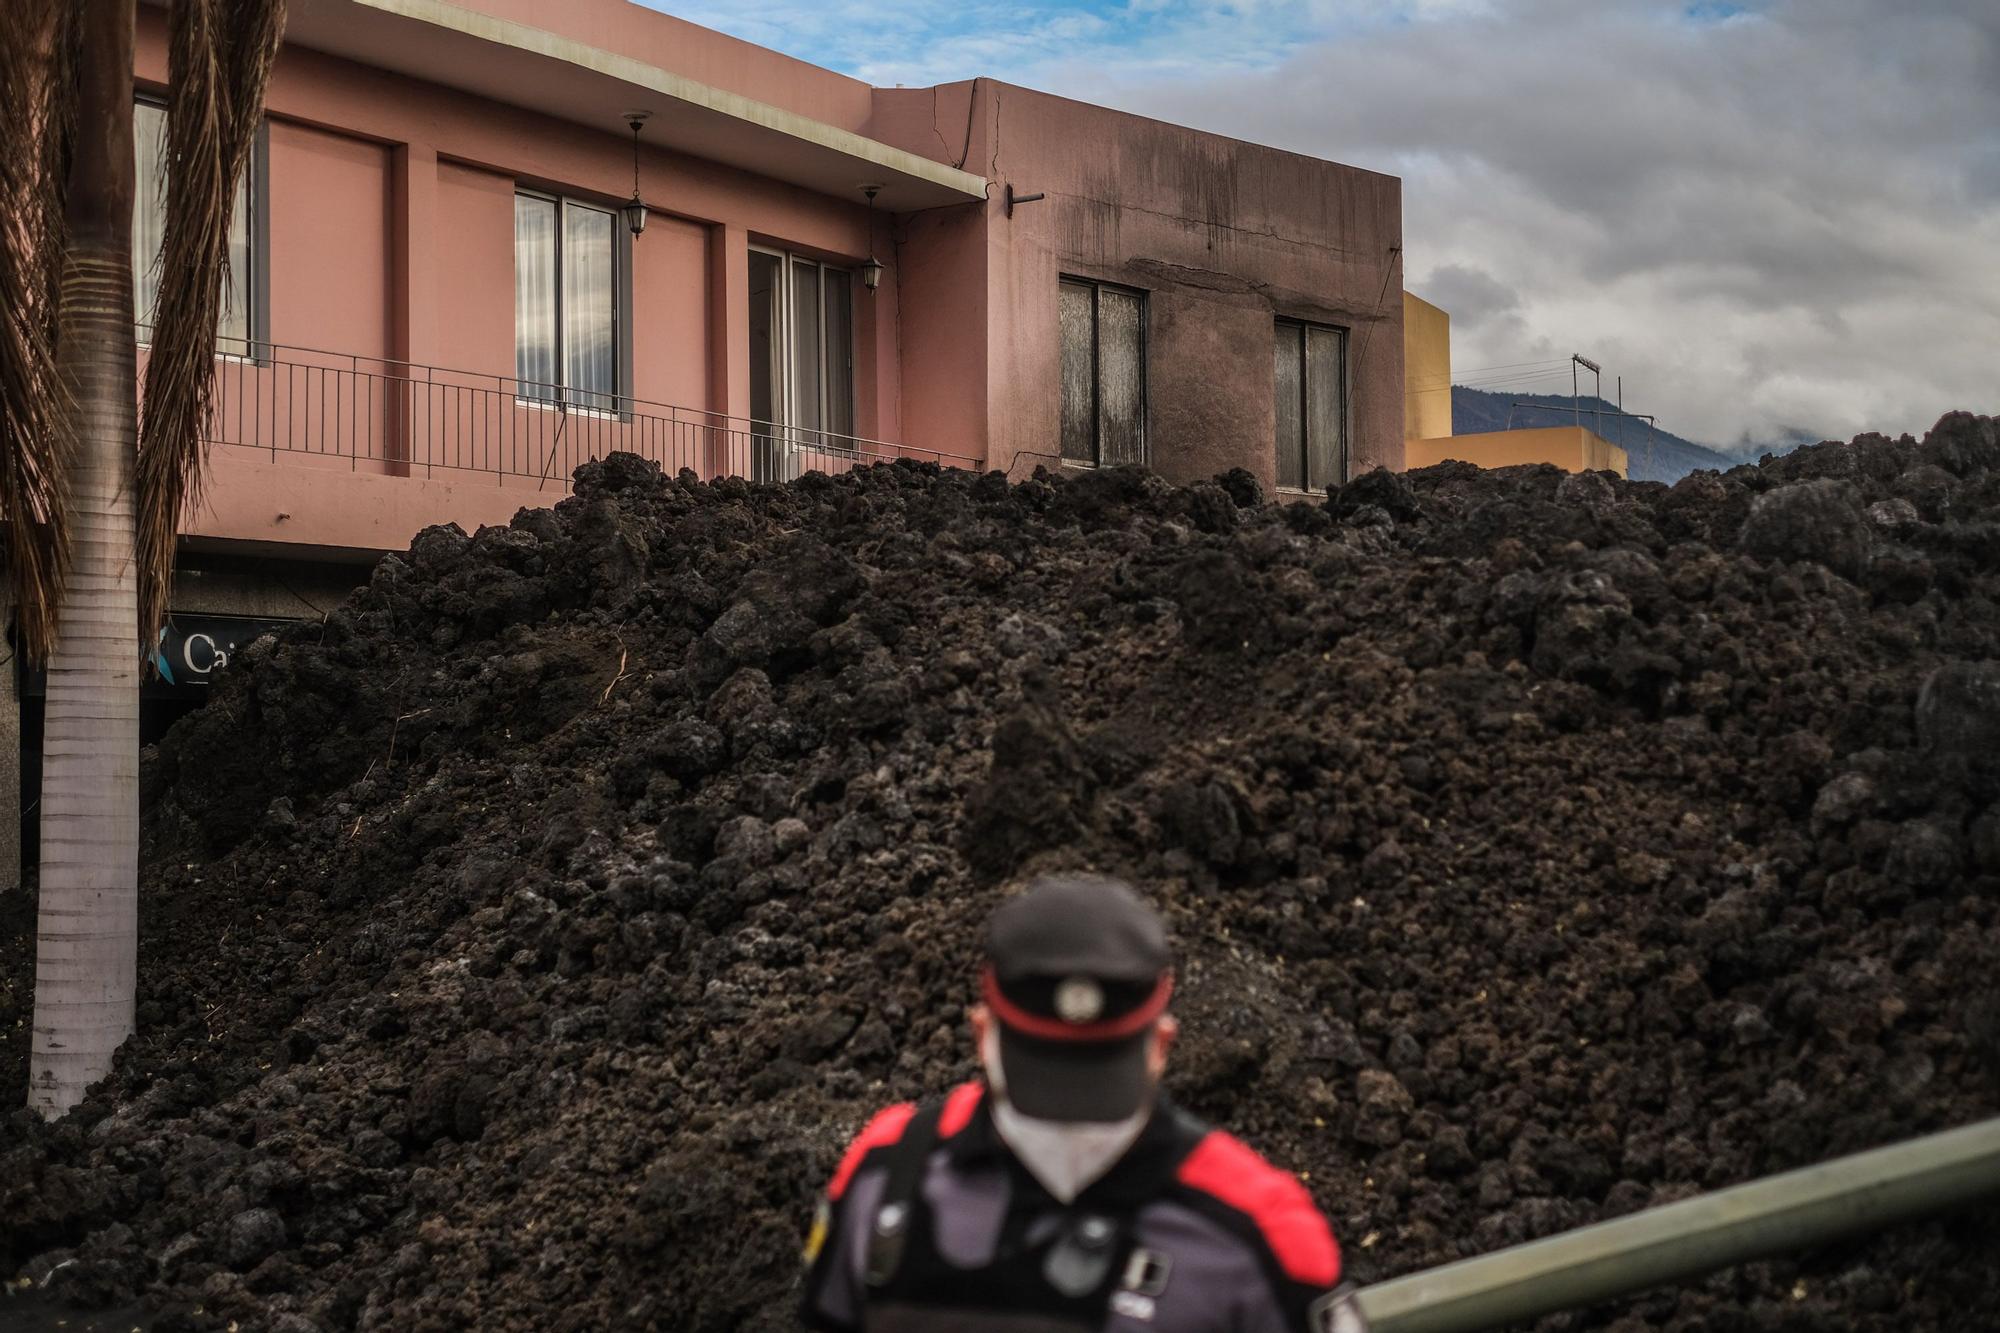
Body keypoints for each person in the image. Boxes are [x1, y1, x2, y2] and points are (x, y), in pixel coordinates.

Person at [802, 872, 1368, 1332]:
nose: (1066, 1121)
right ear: (980, 1036)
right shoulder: (884, 1182)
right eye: (1046, 1079)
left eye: (1093, 1081)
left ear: (1163, 1046)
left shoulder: (1259, 1239)